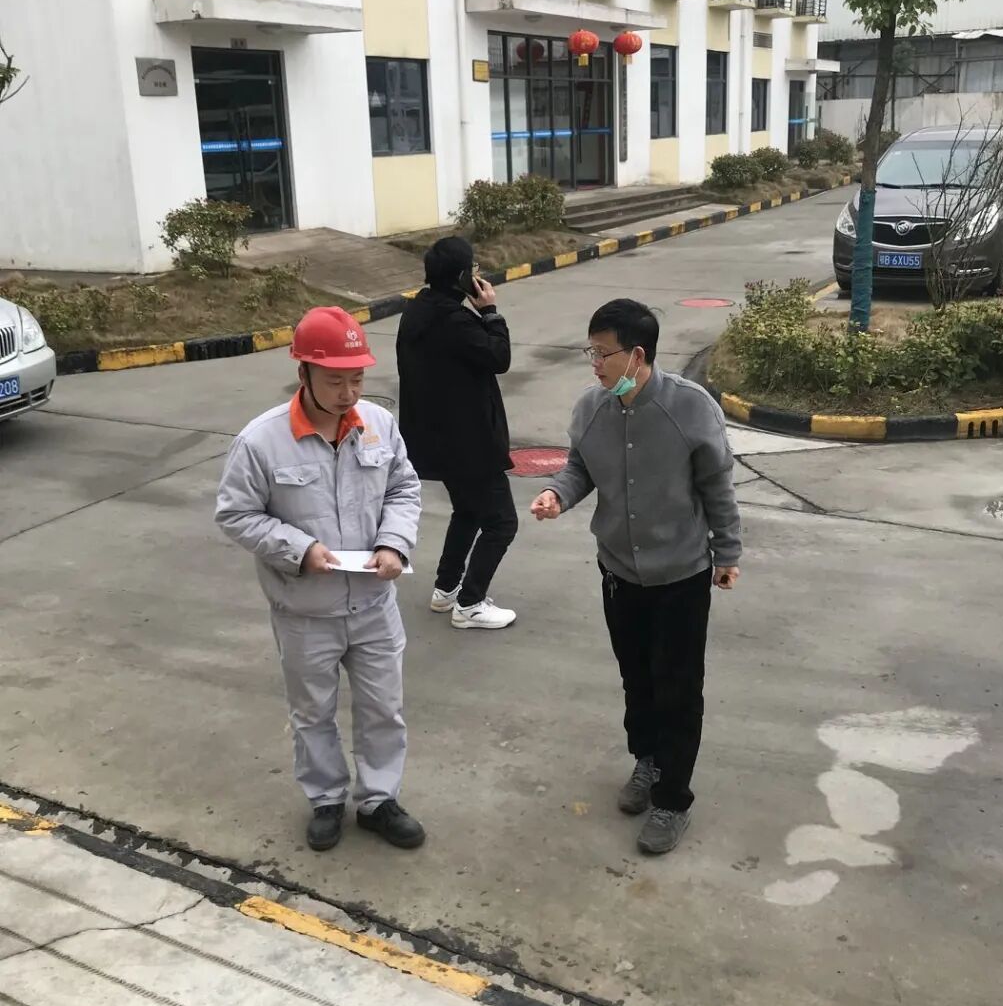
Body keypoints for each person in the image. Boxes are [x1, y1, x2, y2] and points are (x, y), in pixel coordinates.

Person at [530, 299, 742, 857]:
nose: (594, 363)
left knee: (678, 688)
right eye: (591, 352)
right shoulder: (591, 407)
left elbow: (717, 485)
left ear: (637, 355)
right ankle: (647, 761)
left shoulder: (690, 408)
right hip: (619, 572)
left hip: (681, 575)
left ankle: (673, 798)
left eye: (603, 353)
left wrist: (728, 552)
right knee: (637, 677)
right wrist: (556, 493)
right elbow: (579, 467)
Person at [215, 306, 425, 854]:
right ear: (303, 372)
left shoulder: (378, 424)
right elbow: (235, 514)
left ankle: (378, 800)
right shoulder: (261, 441)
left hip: (374, 605)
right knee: (312, 713)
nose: (348, 393)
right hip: (305, 611)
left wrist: (393, 543)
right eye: (335, 381)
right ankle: (326, 798)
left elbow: (404, 487)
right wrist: (299, 548)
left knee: (384, 708)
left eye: (357, 379)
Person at [396, 235, 518, 631]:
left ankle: (446, 587)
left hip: (438, 439)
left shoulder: (417, 311)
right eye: (474, 268)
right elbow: (499, 357)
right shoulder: (455, 321)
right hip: (470, 443)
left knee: (468, 511)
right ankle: (470, 603)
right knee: (501, 522)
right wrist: (491, 312)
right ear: (463, 276)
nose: (478, 274)